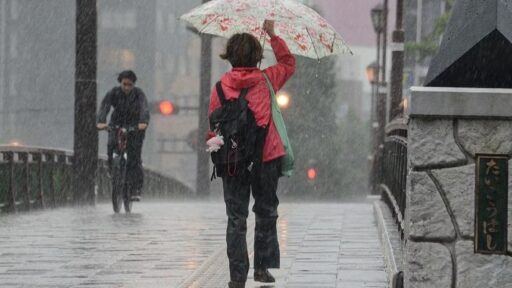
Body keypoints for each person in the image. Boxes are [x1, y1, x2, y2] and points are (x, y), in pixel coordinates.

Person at [206, 20, 295, 288]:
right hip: (265, 158)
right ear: (258, 56)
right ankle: (262, 267)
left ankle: (236, 276)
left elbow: (213, 126)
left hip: (232, 160)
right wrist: (272, 35)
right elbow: (289, 63)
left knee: (236, 217)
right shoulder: (266, 80)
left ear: (230, 56)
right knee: (266, 211)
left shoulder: (220, 87)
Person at [97, 70, 150, 201]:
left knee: (134, 157)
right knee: (111, 145)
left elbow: (144, 108)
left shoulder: (139, 94)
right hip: (117, 123)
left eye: (129, 84)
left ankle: (135, 189)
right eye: (124, 84)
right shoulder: (114, 93)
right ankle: (112, 170)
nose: (127, 87)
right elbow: (105, 106)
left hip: (135, 126)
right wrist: (101, 121)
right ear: (120, 83)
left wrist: (143, 122)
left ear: (133, 85)